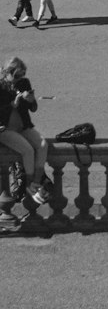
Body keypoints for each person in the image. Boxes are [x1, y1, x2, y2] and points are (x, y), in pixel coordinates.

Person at [0, 58, 51, 207]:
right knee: (28, 150)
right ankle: (30, 185)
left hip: (23, 127)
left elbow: (33, 108)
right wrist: (11, 105)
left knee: (42, 144)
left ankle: (35, 183)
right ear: (7, 73)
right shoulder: (1, 86)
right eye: (17, 76)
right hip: (5, 129)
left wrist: (30, 100)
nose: (20, 79)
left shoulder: (24, 83)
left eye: (22, 75)